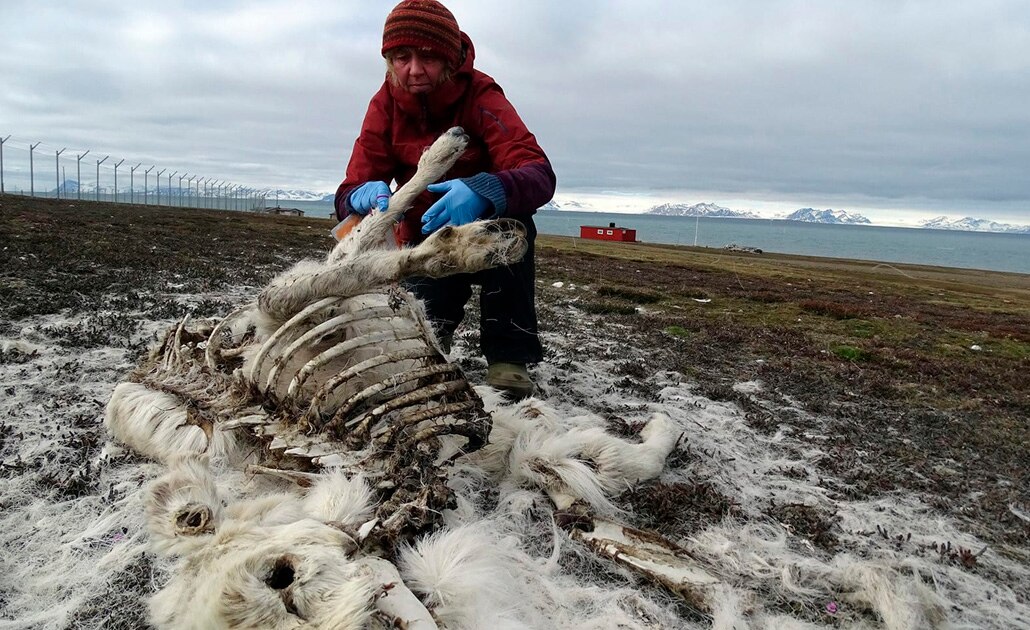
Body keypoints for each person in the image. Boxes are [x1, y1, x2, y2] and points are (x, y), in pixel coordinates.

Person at [334, 0, 555, 399]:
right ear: (388, 60)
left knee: (517, 227)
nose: (414, 70)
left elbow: (538, 173)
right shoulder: (384, 104)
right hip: (423, 237)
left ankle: (508, 358)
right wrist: (356, 196)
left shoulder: (481, 95)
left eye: (428, 57)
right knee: (421, 340)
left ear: (450, 57)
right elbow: (353, 184)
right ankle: (433, 342)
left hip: (487, 229)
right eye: (402, 57)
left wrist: (485, 192)